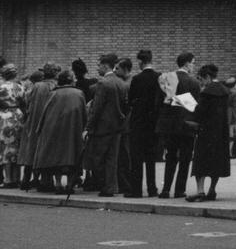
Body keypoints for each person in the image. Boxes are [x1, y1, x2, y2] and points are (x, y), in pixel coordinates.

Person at [32, 70, 87, 193]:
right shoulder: (79, 93)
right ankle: (69, 185)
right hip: (73, 131)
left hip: (54, 131)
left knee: (56, 158)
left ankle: (57, 184)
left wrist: (39, 129)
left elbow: (45, 112)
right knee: (72, 156)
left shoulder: (53, 94)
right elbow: (83, 113)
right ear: (71, 80)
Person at [156, 52, 199, 199]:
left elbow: (161, 102)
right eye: (193, 62)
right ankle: (180, 190)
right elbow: (195, 106)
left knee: (170, 157)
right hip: (187, 125)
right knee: (185, 159)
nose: (193, 65)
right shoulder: (193, 82)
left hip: (170, 125)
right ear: (187, 64)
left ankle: (166, 189)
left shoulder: (167, 79)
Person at [84, 53, 128, 197]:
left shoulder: (103, 83)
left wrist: (88, 127)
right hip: (117, 126)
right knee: (112, 159)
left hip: (103, 127)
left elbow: (96, 109)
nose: (97, 68)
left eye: (99, 66)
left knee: (98, 158)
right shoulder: (121, 82)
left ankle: (104, 185)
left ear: (105, 65)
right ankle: (111, 186)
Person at [190, 63, 231, 201]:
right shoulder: (225, 91)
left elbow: (200, 112)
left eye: (201, 79)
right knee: (216, 162)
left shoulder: (206, 92)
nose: (201, 83)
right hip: (221, 132)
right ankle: (212, 189)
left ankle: (200, 191)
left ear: (207, 77)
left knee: (200, 162)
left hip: (206, 131)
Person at [125, 50, 161, 197]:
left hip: (139, 123)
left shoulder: (137, 79)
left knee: (137, 158)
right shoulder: (160, 77)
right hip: (153, 123)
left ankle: (136, 190)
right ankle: (152, 188)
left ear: (140, 62)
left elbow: (131, 100)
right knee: (151, 158)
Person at [18, 63, 58, 190]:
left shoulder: (37, 86)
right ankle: (47, 181)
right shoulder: (56, 86)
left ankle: (27, 179)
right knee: (48, 151)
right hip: (50, 123)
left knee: (31, 151)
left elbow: (27, 101)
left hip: (34, 122)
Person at [0, 64, 26, 187]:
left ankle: (8, 179)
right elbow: (24, 103)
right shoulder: (19, 87)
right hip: (17, 115)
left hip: (4, 116)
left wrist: (0, 113)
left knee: (5, 147)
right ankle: (17, 178)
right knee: (17, 147)